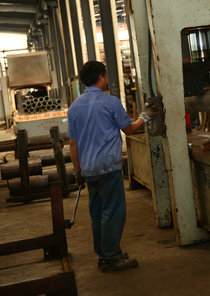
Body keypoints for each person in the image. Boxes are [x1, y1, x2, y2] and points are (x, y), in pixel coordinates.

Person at [67, 61, 158, 273]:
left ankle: (103, 253)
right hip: (108, 167)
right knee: (113, 211)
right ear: (101, 77)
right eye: (106, 76)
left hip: (89, 169)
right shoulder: (110, 102)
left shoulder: (74, 107)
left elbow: (72, 143)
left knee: (97, 212)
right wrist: (145, 116)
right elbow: (129, 130)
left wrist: (77, 170)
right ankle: (112, 257)